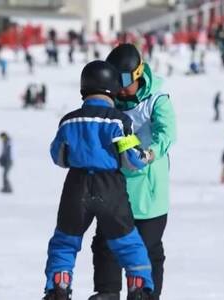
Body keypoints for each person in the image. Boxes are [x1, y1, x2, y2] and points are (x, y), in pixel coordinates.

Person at [44, 60, 155, 300]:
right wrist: (145, 156)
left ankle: (59, 286)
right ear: (113, 89)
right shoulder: (118, 121)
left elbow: (58, 156)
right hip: (111, 187)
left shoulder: (68, 121)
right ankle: (138, 286)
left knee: (65, 241)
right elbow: (131, 158)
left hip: (76, 186)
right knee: (128, 242)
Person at [90, 44, 176, 300]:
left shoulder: (156, 101)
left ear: (138, 73)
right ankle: (107, 292)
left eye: (125, 79)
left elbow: (167, 133)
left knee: (146, 249)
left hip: (148, 192)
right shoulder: (110, 103)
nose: (121, 86)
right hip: (116, 187)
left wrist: (150, 153)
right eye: (115, 80)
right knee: (105, 243)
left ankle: (145, 295)